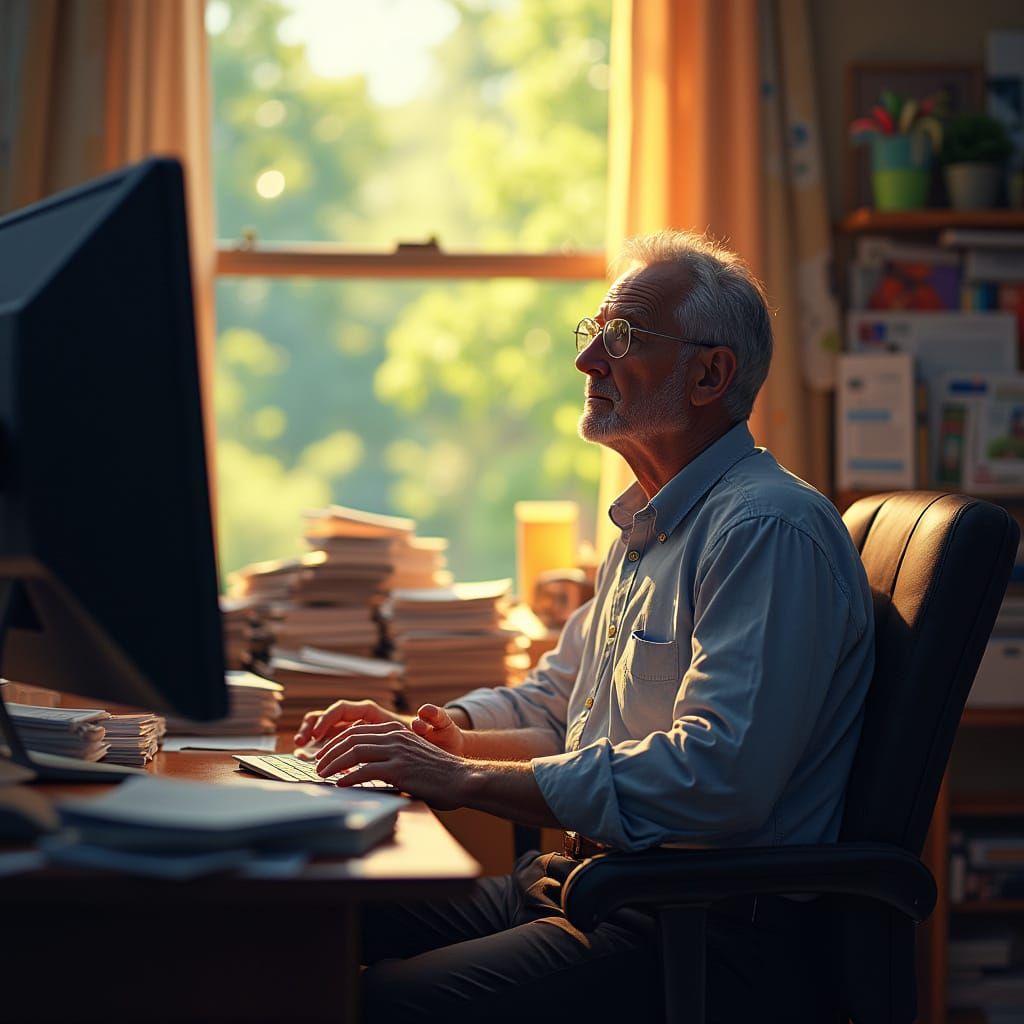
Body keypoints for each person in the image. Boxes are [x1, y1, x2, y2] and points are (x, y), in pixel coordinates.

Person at [294, 230, 874, 1023]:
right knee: (302, 915)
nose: (588, 360)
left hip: (698, 929)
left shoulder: (765, 530)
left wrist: (465, 782)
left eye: (624, 335)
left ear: (711, 373)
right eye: (593, 331)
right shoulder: (651, 523)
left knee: (373, 1004)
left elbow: (720, 777)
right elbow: (560, 707)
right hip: (593, 889)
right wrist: (436, 737)